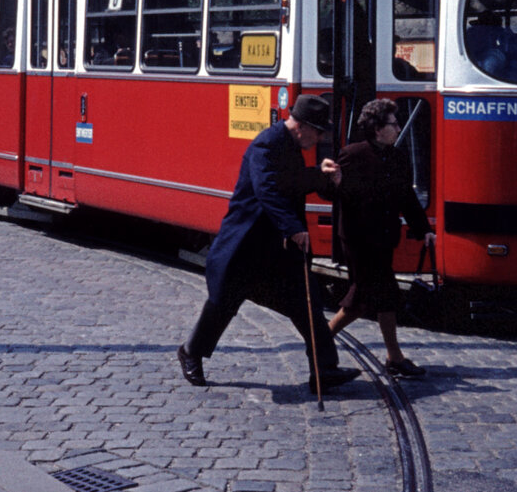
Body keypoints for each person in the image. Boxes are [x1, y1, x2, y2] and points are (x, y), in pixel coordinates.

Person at [178, 95, 361, 393]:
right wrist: (293, 227)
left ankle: (324, 369)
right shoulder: (267, 144)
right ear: (300, 127)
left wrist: (324, 177)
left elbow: (292, 181)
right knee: (222, 304)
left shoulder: (290, 144)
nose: (318, 139)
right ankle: (191, 352)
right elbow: (268, 190)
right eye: (316, 132)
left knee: (307, 303)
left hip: (276, 249)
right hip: (245, 246)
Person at [326, 99, 436, 377]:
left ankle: (393, 357)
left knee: (386, 297)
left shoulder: (397, 157)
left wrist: (424, 229)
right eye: (393, 124)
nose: (398, 128)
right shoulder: (352, 154)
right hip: (359, 240)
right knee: (360, 300)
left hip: (384, 239)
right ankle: (319, 340)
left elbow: (407, 199)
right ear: (376, 128)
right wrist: (334, 184)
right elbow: (333, 194)